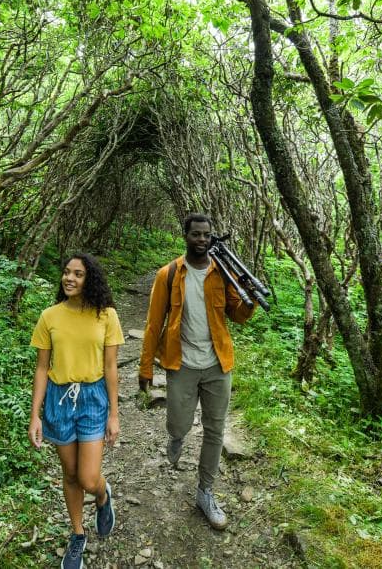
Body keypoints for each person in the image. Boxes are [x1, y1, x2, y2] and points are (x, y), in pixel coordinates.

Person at [138, 213, 255, 530]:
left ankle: (205, 492)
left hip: (218, 364)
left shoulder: (223, 273)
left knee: (215, 431)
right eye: (196, 234)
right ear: (185, 236)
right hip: (182, 364)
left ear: (211, 237)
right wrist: (145, 367)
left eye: (206, 235)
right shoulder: (170, 274)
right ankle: (175, 438)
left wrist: (250, 298)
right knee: (179, 422)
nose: (202, 239)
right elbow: (153, 325)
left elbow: (238, 314)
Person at [29, 252, 123, 569]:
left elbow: (111, 367)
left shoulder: (106, 315)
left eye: (78, 274)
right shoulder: (49, 316)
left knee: (87, 476)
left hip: (93, 398)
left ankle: (102, 494)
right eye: (67, 272)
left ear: (89, 279)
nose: (70, 278)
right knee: (69, 474)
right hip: (58, 399)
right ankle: (77, 535)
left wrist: (114, 414)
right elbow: (42, 369)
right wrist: (35, 416)